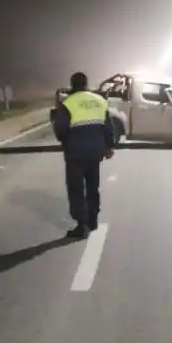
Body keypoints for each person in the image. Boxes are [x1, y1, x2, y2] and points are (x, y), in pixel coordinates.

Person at [53, 72, 115, 238]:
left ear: (72, 84)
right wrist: (109, 146)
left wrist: (66, 140)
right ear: (86, 84)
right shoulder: (100, 101)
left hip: (75, 153)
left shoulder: (68, 103)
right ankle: (93, 219)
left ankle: (82, 225)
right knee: (93, 186)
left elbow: (60, 130)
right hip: (95, 152)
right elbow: (108, 127)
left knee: (76, 188)